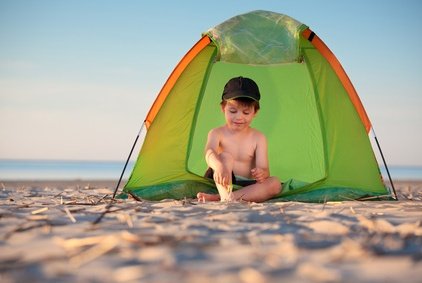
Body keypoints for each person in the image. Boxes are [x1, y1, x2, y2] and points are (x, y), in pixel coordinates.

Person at [197, 76, 282, 202]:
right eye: (233, 111)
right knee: (225, 156)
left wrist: (262, 173)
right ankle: (224, 194)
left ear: (255, 112)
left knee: (275, 183)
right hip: (221, 180)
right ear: (223, 108)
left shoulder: (258, 137)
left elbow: (264, 169)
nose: (239, 117)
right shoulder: (217, 133)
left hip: (247, 186)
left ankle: (225, 198)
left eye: (246, 113)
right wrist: (219, 165)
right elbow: (209, 153)